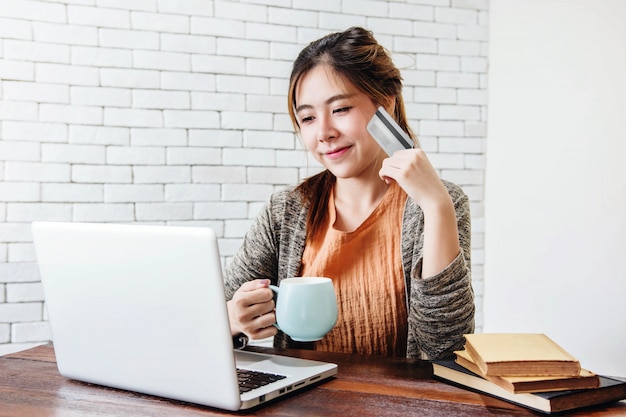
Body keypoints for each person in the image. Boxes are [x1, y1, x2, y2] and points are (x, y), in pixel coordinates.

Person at [224, 26, 474, 360]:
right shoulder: (285, 211)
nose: (324, 133)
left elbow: (446, 348)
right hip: (303, 406)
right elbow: (209, 319)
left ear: (384, 105)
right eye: (308, 118)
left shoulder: (438, 205)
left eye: (340, 109)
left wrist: (437, 205)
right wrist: (232, 322)